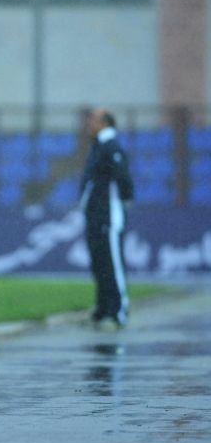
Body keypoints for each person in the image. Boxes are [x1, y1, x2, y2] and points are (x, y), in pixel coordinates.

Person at [78, 108, 134, 327]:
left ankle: (119, 309)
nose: (89, 124)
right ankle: (103, 308)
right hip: (95, 215)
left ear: (105, 123)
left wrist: (123, 202)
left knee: (113, 264)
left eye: (93, 120)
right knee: (99, 264)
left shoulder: (111, 147)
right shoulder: (98, 147)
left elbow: (123, 179)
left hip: (108, 216)